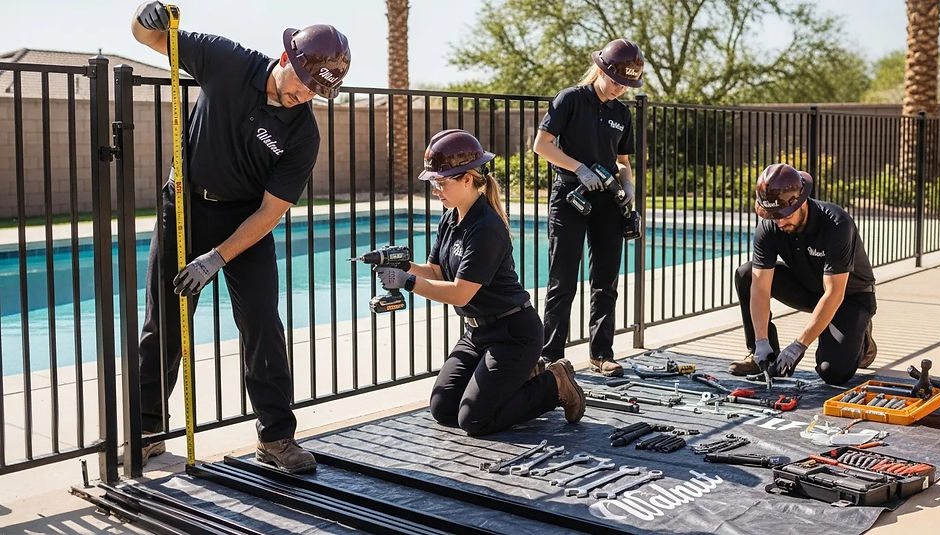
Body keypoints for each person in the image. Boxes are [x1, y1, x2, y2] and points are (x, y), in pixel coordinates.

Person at [131, 1, 350, 472]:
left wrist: (216, 257)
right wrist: (145, 18)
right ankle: (146, 431)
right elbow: (150, 38)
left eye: (316, 92)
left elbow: (271, 211)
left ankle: (276, 438)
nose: (304, 96)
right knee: (164, 321)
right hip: (184, 205)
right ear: (286, 57)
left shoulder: (303, 135)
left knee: (262, 323)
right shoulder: (227, 60)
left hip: (246, 222)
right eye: (303, 83)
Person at [373, 129, 586, 435]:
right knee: (443, 408)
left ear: (467, 179)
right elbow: (436, 272)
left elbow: (460, 294)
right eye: (433, 183)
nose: (435, 190)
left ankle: (554, 384)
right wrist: (403, 266)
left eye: (441, 182)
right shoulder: (451, 218)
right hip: (476, 333)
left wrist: (407, 282)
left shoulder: (486, 226)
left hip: (513, 334)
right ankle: (523, 378)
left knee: (474, 420)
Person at [532, 39, 644, 377]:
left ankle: (601, 354)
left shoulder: (622, 113)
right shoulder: (570, 99)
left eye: (626, 84)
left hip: (607, 201)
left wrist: (628, 185)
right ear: (601, 70)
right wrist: (578, 168)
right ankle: (551, 356)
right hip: (570, 196)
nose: (620, 88)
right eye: (616, 81)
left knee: (606, 281)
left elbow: (622, 161)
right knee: (562, 280)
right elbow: (541, 145)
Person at [728, 163, 878, 385]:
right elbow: (760, 288)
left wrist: (799, 345)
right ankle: (761, 356)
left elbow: (834, 293)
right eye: (773, 215)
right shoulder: (770, 226)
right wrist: (761, 341)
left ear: (801, 201)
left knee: (833, 372)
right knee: (747, 274)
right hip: (809, 289)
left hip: (849, 297)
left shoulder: (836, 224)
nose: (779, 221)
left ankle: (862, 340)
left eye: (784, 214)